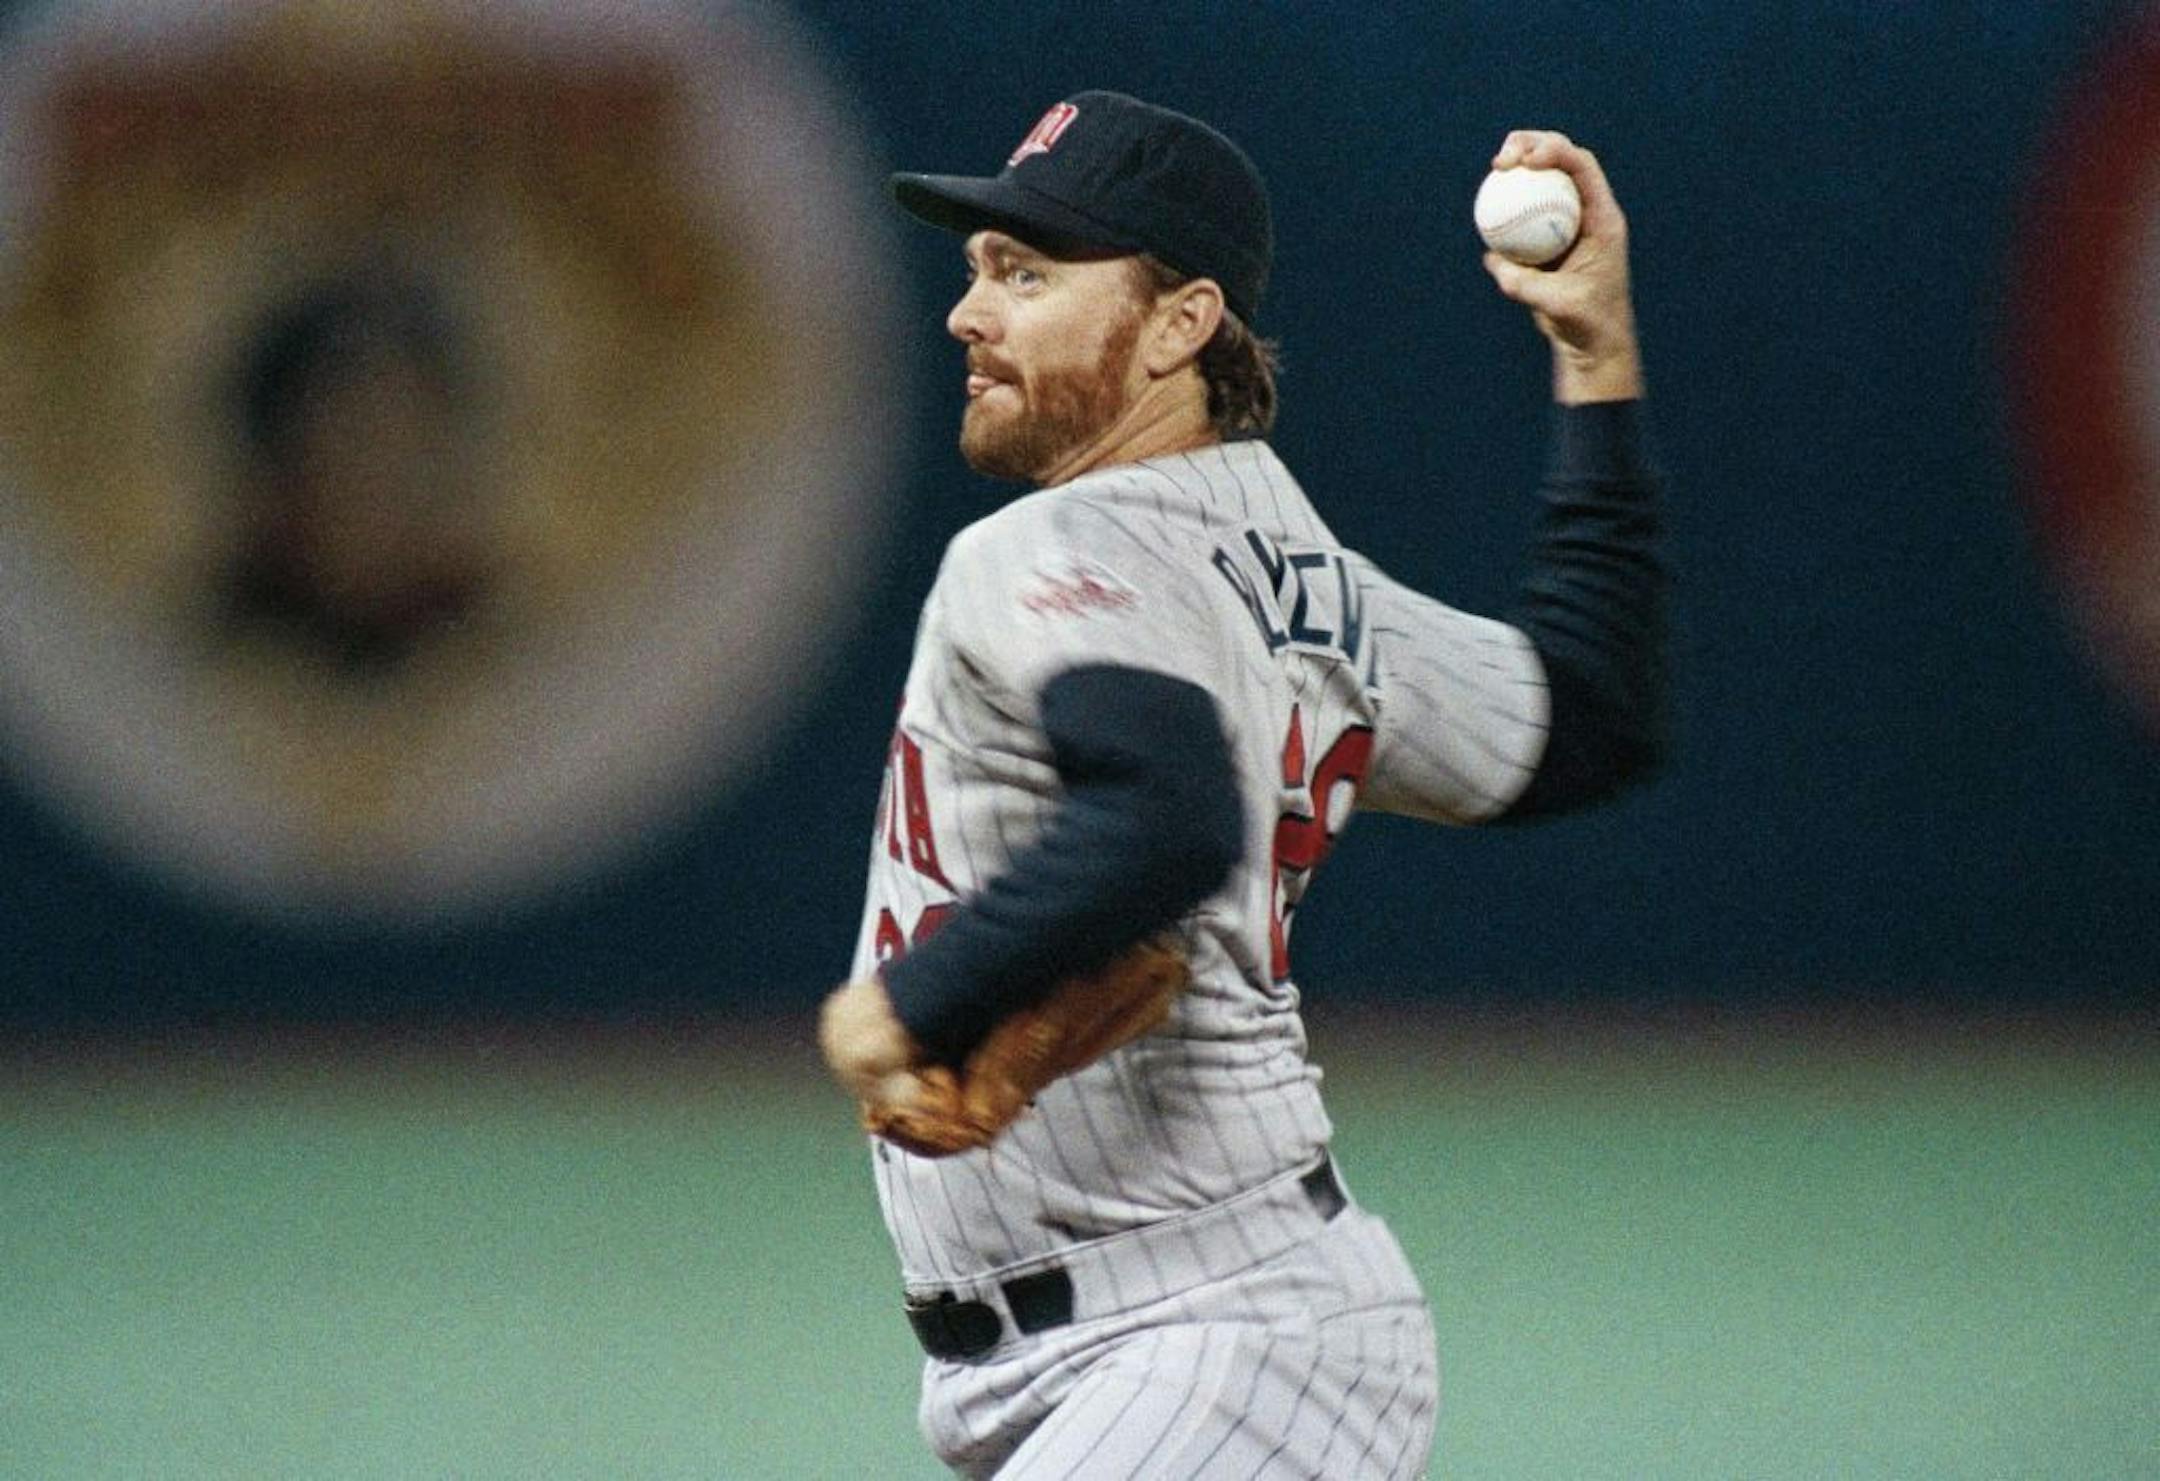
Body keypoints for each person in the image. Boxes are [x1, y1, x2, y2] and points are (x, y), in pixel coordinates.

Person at [818, 90, 1665, 1478]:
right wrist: (1597, 352)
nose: (971, 314)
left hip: (1209, 1342)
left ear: (1179, 323)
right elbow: (1593, 713)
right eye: (977, 270)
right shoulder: (1303, 579)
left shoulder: (1045, 546)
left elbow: (1166, 811)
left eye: (1028, 273)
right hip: (1194, 1343)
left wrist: (920, 1000)